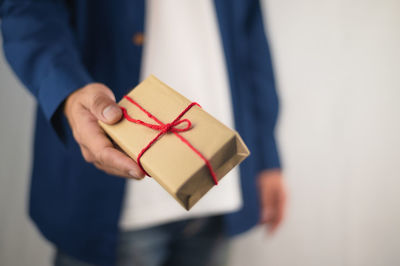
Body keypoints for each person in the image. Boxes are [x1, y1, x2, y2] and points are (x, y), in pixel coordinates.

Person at [0, 0, 286, 265]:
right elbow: (28, 10)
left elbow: (251, 35)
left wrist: (267, 158)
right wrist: (69, 93)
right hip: (104, 195)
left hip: (221, 182)